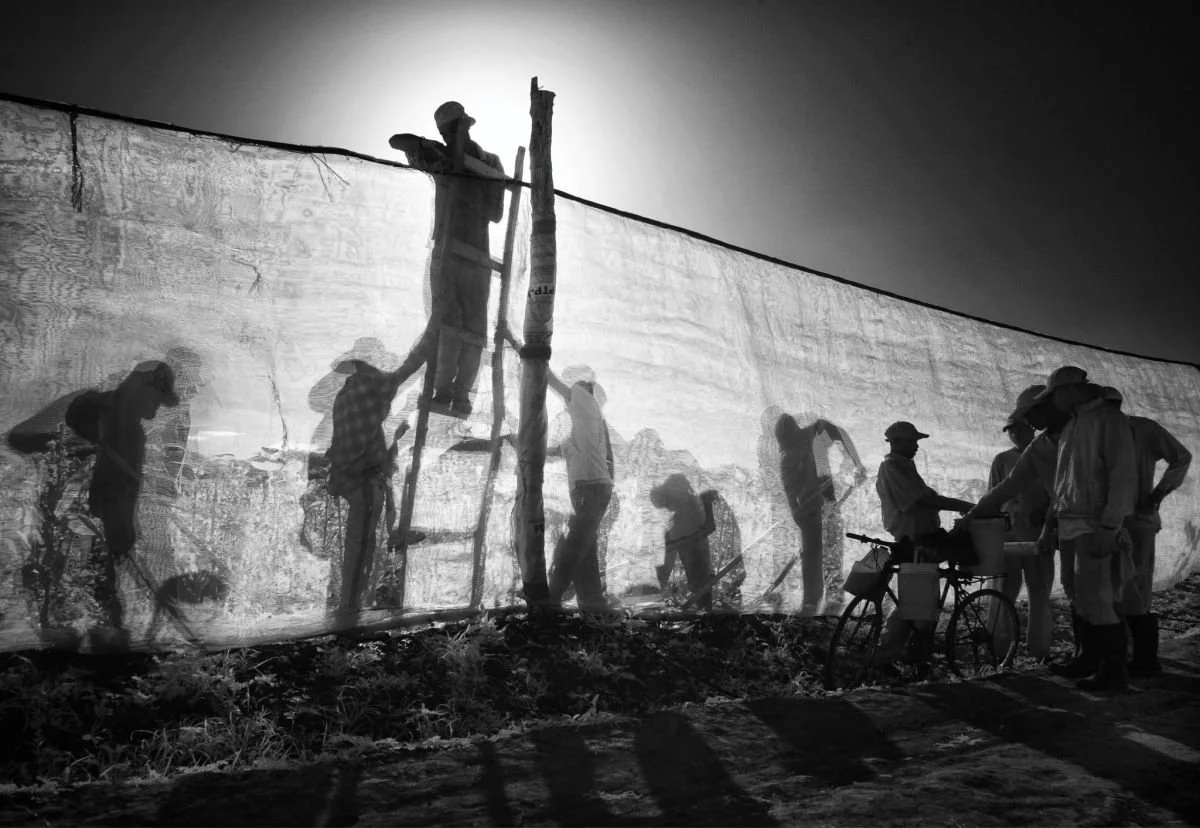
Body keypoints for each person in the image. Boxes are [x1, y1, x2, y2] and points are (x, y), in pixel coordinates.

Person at [388, 101, 506, 416]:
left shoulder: (459, 158)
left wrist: (444, 158)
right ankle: (458, 396)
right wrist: (434, 152)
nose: (452, 134)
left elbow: (398, 142)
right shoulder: (483, 160)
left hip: (453, 250)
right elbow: (397, 141)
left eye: (451, 129)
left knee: (450, 321)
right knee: (471, 326)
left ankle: (447, 394)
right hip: (477, 255)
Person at [1035, 366, 1137, 692]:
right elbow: (1064, 483)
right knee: (1076, 591)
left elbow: (1122, 473)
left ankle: (1113, 671)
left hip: (1093, 523)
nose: (1055, 403)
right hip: (1070, 522)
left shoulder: (1109, 420)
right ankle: (1089, 659)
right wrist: (1053, 521)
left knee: (1098, 595)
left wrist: (1110, 524)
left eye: (1055, 396)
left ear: (1067, 391)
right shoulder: (1072, 425)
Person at [85, 361, 181, 640]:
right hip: (91, 518)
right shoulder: (96, 410)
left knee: (106, 572)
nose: (158, 407)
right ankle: (105, 630)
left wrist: (126, 523)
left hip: (107, 518)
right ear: (141, 388)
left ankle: (111, 628)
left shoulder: (133, 430)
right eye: (158, 398)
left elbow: (126, 484)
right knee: (98, 572)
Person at [1102, 386, 1192, 677]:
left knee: (1136, 586)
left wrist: (1157, 494)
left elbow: (1181, 456)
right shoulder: (1098, 435)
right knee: (1114, 587)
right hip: (1112, 522)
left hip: (1137, 522)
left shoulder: (1142, 429)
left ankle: (1142, 659)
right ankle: (1125, 656)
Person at [964, 385, 1056, 661]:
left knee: (1040, 592)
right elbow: (994, 494)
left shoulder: (1048, 452)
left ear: (1031, 429)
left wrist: (1048, 513)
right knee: (1002, 592)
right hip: (1008, 536)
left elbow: (1059, 492)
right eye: (1011, 430)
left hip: (1038, 535)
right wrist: (984, 524)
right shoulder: (1002, 460)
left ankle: (1039, 651)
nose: (1015, 433)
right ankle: (998, 649)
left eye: (1019, 428)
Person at [873, 421, 975, 661]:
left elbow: (925, 498)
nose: (916, 446)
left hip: (920, 540)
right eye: (912, 441)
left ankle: (892, 654)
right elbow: (921, 500)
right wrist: (963, 506)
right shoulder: (893, 466)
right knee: (920, 603)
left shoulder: (904, 465)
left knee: (913, 601)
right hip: (913, 541)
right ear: (896, 443)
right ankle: (903, 655)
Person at [325, 338, 409, 615]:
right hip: (361, 479)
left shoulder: (351, 391)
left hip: (356, 476)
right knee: (360, 545)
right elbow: (396, 380)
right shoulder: (364, 388)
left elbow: (372, 436)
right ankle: (350, 606)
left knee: (358, 544)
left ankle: (349, 602)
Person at [774, 413, 868, 615]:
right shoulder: (791, 455)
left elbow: (837, 432)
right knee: (819, 556)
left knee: (824, 555)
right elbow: (791, 493)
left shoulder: (810, 437)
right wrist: (798, 515)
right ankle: (816, 605)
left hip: (821, 506)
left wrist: (855, 463)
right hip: (811, 511)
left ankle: (825, 605)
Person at [545, 365, 615, 613]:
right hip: (588, 489)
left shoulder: (583, 399)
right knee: (584, 548)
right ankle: (592, 602)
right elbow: (560, 452)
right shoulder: (583, 425)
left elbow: (551, 379)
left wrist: (531, 354)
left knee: (574, 543)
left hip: (592, 488)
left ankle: (552, 597)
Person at [650, 473, 714, 610]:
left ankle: (706, 613)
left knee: (699, 579)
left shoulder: (691, 506)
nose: (667, 508)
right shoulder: (675, 513)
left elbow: (709, 526)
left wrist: (677, 543)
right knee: (657, 570)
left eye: (667, 504)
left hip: (693, 534)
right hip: (680, 529)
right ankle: (649, 601)